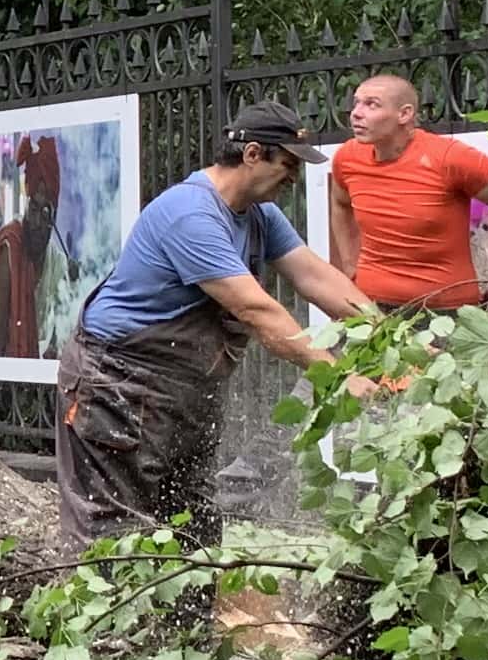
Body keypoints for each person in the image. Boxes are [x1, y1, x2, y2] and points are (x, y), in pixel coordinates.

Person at [53, 105, 374, 545]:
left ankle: (189, 615)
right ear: (253, 154)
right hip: (115, 387)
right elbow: (256, 310)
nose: (294, 178)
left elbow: (315, 277)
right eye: (289, 164)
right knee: (114, 530)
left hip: (183, 393)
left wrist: (390, 338)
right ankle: (105, 612)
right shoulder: (191, 214)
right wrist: (335, 374)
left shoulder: (259, 214)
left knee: (193, 524)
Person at [322, 73, 488, 310]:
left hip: (446, 314)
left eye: (372, 104)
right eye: (356, 103)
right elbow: (341, 204)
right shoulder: (347, 157)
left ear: (404, 114)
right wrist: (351, 267)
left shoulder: (450, 158)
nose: (356, 113)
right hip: (371, 309)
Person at [0, 132, 66, 360]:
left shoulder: (58, 263)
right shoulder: (10, 246)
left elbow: (60, 333)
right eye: (32, 208)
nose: (35, 222)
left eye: (44, 213)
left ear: (54, 218)